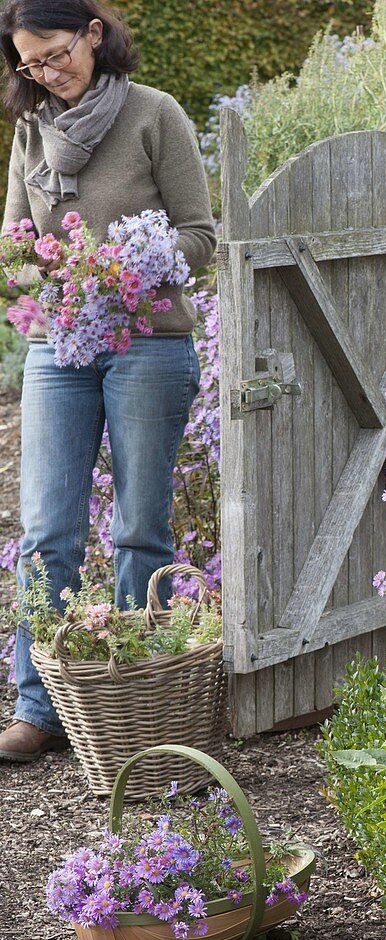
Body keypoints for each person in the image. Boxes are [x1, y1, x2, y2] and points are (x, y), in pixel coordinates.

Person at [0, 0, 216, 762]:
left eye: (55, 54)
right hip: (59, 346)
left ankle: (129, 693)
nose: (47, 74)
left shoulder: (156, 115)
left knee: (138, 530)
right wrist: (49, 275)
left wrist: (128, 268)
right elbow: (13, 246)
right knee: (44, 534)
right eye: (30, 66)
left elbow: (200, 238)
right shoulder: (32, 133)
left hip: (148, 343)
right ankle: (39, 705)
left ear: (93, 34)